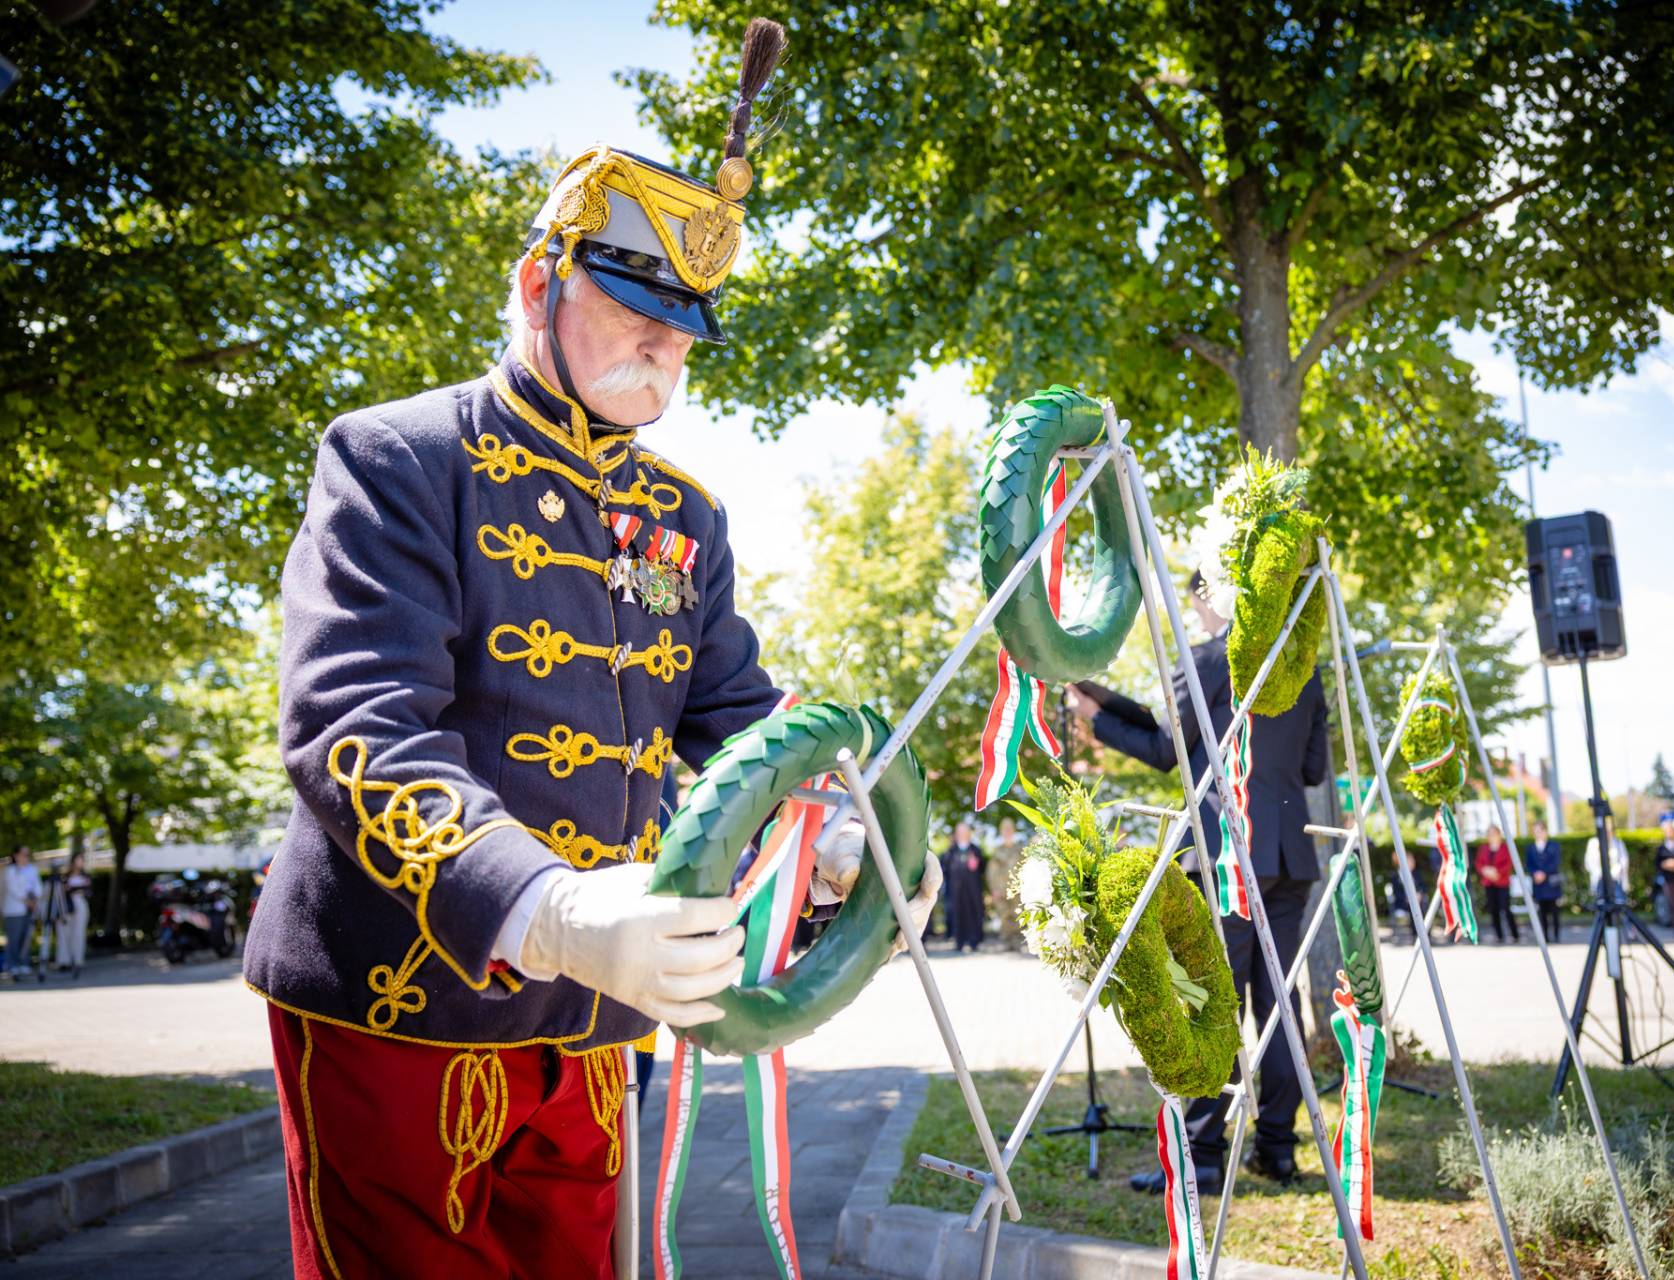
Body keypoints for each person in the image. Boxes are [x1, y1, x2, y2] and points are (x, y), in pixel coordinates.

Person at [240, 34, 942, 1274]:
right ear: (537, 282)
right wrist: (544, 906)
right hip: (402, 1003)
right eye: (636, 309)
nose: (666, 348)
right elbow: (354, 724)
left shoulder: (687, 513)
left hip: (594, 1018)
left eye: (686, 328)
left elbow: (734, 715)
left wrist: (844, 831)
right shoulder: (399, 457)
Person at [1067, 569, 1328, 1189]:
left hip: (1227, 855)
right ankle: (1278, 1148)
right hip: (1288, 857)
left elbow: (1167, 751)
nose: (1196, 618)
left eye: (1197, 605)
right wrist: (1107, 705)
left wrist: (1095, 720)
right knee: (1280, 1008)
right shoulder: (1303, 670)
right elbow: (1314, 769)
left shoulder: (1207, 659)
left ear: (1214, 598)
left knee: (1214, 1002)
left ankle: (1204, 1155)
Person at [943, 820, 989, 952]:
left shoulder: (975, 850)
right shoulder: (950, 851)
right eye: (960, 831)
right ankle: (959, 941)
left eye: (964, 831)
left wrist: (977, 863)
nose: (962, 834)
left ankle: (974, 941)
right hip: (956, 891)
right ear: (956, 834)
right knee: (957, 915)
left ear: (969, 833)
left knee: (974, 913)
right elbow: (945, 870)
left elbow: (983, 868)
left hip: (973, 890)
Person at [2, 847, 39, 982]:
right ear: (16, 855)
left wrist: (35, 900)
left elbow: (36, 886)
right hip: (14, 910)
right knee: (14, 939)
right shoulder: (10, 871)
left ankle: (24, 964)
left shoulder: (32, 869)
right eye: (23, 854)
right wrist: (27, 901)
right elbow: (13, 890)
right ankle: (12, 966)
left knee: (26, 937)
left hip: (29, 909)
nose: (26, 857)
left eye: (27, 854)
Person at [1523, 819, 1563, 943]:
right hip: (1538, 884)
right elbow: (1528, 864)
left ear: (1545, 831)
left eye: (1540, 831)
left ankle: (1556, 935)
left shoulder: (1554, 845)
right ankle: (1545, 936)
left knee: (1554, 911)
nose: (1538, 833)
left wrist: (1544, 873)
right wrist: (1535, 873)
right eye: (1535, 831)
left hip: (1551, 883)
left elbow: (1555, 862)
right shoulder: (1530, 848)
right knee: (1542, 912)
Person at [1475, 827, 1517, 943]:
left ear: (1499, 834)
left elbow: (1508, 863)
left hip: (1502, 882)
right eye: (1489, 834)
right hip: (1489, 883)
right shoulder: (1483, 848)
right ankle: (1499, 935)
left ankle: (1514, 934)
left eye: (1494, 833)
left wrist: (1497, 872)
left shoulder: (1505, 848)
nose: (1491, 836)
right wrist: (1485, 871)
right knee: (1493, 909)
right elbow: (1478, 863)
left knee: (1505, 908)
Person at [54, 853, 90, 978]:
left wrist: (74, 889)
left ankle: (77, 960)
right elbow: (63, 891)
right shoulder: (65, 876)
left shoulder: (86, 876)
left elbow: (87, 891)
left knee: (78, 933)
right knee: (64, 932)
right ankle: (64, 960)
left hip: (80, 905)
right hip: (67, 906)